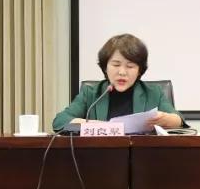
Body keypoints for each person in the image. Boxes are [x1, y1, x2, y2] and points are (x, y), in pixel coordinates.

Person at [52, 33, 184, 131]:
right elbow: (60, 121)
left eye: (130, 66)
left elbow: (179, 121)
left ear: (139, 70)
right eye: (116, 65)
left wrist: (165, 119)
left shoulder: (153, 93)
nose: (122, 72)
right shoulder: (91, 93)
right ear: (105, 67)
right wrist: (95, 125)